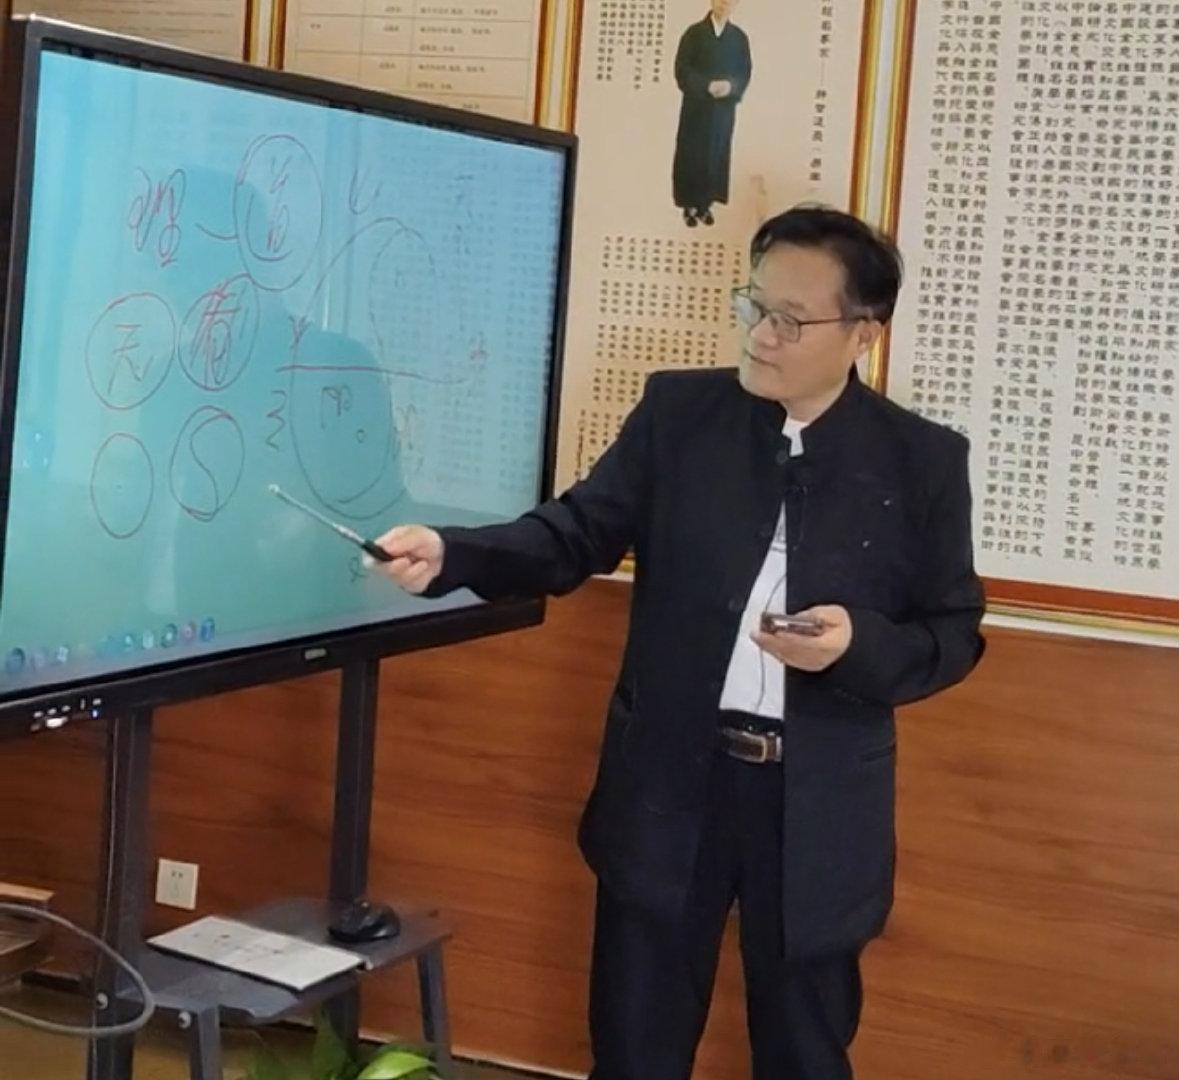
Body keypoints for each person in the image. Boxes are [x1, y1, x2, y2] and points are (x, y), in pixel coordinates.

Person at [373, 205, 986, 1080]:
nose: (759, 336)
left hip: (814, 804)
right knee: (635, 1046)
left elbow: (952, 634)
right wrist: (453, 554)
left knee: (804, 1051)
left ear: (863, 333)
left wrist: (856, 648)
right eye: (752, 305)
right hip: (669, 780)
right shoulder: (680, 414)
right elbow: (573, 534)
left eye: (789, 320)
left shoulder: (920, 461)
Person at [671, 0, 752, 228]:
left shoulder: (739, 38)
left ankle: (705, 206)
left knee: (715, 155)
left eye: (729, 2)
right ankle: (689, 206)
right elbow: (682, 69)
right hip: (696, 107)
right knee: (691, 154)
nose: (723, 5)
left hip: (722, 110)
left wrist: (731, 86)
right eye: (720, 0)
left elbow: (745, 71)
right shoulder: (694, 33)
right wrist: (705, 85)